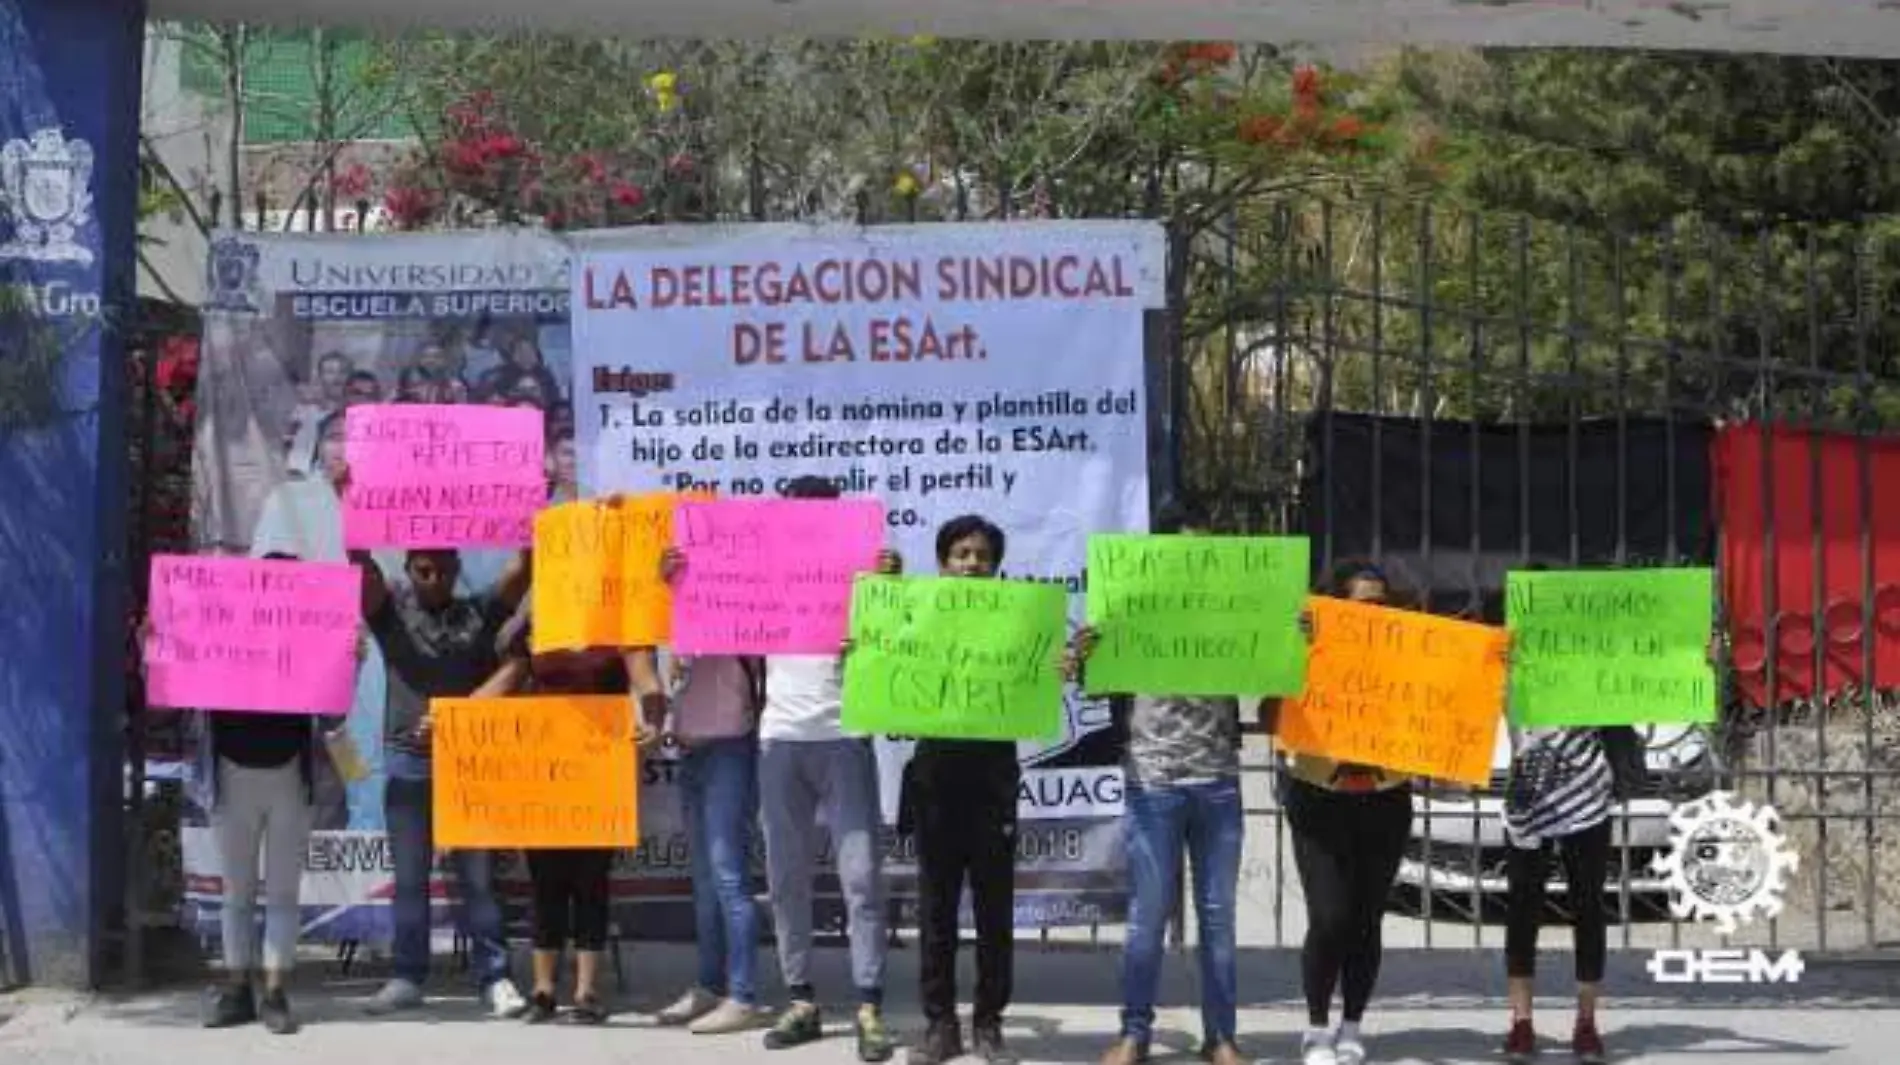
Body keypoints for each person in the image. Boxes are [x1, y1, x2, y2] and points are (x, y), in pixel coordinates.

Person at [659, 475, 899, 1061]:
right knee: (787, 879)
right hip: (777, 739)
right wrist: (680, 582)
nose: (808, 524)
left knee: (861, 877)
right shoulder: (758, 570)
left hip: (847, 735)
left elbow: (900, 638)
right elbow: (707, 622)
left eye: (820, 514)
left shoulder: (866, 573)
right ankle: (802, 1001)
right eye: (797, 513)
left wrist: (893, 586)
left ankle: (869, 1004)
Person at [1070, 502, 1247, 1065]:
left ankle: (1220, 1037)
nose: (1193, 559)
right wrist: (1084, 656)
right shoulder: (1128, 614)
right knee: (1147, 917)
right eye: (1182, 548)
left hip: (1219, 781)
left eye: (1204, 549)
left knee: (1218, 918)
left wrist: (1294, 633)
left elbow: (1279, 663)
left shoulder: (1235, 610)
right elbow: (1091, 687)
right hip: (1153, 782)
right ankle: (1135, 1034)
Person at [357, 546, 531, 1019]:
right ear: (408, 569)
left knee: (478, 879)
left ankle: (495, 977)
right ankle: (407, 977)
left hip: (469, 765)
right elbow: (361, 571)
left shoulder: (479, 612)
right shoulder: (391, 614)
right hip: (407, 763)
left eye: (442, 569)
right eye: (422, 569)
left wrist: (534, 517)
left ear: (457, 569)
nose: (432, 577)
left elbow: (523, 569)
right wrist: (353, 511)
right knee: (410, 880)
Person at [155, 552, 325, 1035]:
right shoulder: (218, 634)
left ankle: (273, 992)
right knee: (237, 892)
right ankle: (236, 990)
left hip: (290, 776)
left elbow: (335, 708)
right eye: (268, 584)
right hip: (230, 774)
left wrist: (344, 660)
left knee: (284, 892)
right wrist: (158, 642)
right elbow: (173, 686)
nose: (276, 595)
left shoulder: (311, 640)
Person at [1264, 561, 1412, 1065]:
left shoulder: (1405, 652)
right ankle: (1316, 1027)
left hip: (1385, 799)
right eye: (1362, 602)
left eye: (1380, 603)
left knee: (1366, 920)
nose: (1372, 611)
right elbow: (1270, 714)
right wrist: (1300, 651)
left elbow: (1449, 696)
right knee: (1329, 918)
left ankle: (1352, 1025)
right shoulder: (1308, 645)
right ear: (1338, 605)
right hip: (1318, 797)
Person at [900, 515, 1023, 1065]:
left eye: (981, 556)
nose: (972, 563)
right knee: (936, 912)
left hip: (993, 785)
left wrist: (1066, 663)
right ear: (942, 563)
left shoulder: (1018, 624)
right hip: (935, 783)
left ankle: (990, 1024)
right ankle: (940, 1025)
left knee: (995, 913)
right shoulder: (917, 622)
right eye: (960, 554)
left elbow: (1044, 680)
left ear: (995, 567)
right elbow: (889, 682)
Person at [480, 606, 627, 1025]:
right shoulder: (541, 617)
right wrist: (447, 718)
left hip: (600, 766)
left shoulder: (619, 618)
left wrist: (650, 719)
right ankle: (543, 991)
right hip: (544, 765)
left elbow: (642, 678)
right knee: (545, 880)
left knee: (591, 882)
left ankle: (587, 992)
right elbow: (506, 663)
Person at [641, 643, 769, 1034]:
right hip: (689, 750)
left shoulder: (735, 605)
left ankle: (743, 995)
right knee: (704, 882)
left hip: (731, 747)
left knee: (729, 876)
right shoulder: (674, 621)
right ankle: (710, 986)